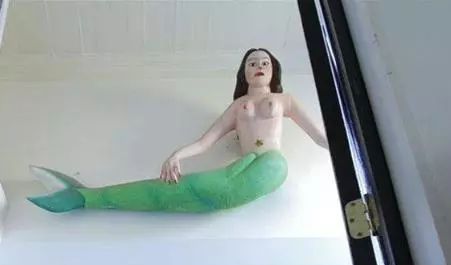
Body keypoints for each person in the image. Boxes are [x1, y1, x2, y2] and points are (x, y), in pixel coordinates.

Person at [28, 48, 328, 214]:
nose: (258, 66)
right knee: (181, 190)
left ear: (273, 70)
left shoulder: (285, 100)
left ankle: (87, 197)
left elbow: (318, 136)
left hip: (271, 164)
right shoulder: (238, 106)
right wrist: (176, 155)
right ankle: (86, 197)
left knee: (206, 190)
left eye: (264, 62)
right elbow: (205, 141)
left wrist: (344, 144)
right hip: (244, 166)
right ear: (244, 72)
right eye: (252, 63)